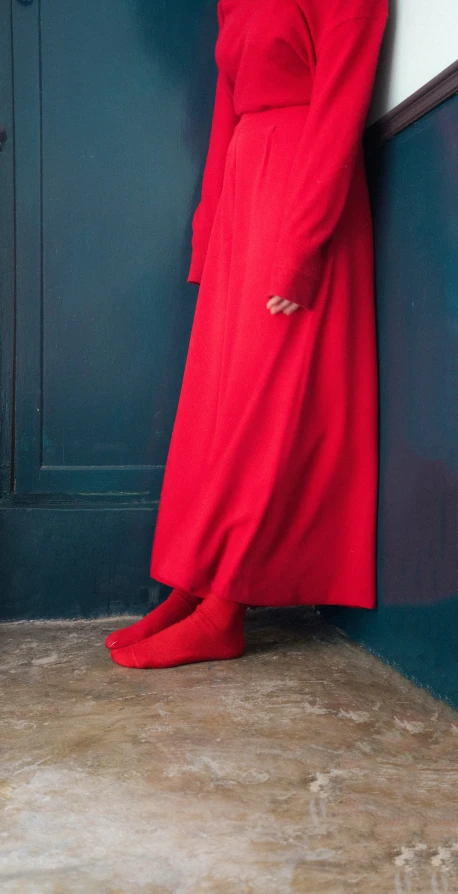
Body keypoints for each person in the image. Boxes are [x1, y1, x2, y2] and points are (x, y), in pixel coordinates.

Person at [106, 0, 388, 669]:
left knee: (266, 403)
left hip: (299, 194)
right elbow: (225, 114)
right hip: (243, 192)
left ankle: (226, 609)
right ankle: (194, 581)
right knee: (217, 404)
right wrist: (209, 231)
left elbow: (341, 110)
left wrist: (302, 245)